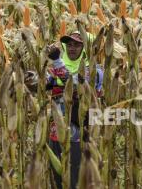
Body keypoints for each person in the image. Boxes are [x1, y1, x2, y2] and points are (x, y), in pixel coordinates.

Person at [45, 31, 104, 189]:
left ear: (87, 48)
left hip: (79, 136)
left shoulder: (94, 71)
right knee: (57, 180)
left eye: (77, 45)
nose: (72, 48)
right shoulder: (57, 69)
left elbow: (74, 84)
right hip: (56, 134)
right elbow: (43, 85)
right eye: (69, 44)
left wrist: (56, 61)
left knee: (75, 181)